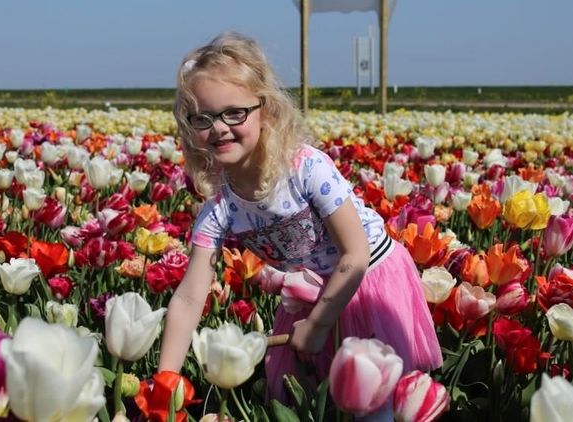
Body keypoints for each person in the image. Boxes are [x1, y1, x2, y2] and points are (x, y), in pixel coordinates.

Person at [158, 32, 442, 420]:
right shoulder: (220, 209)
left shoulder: (306, 168)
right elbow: (190, 298)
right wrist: (164, 384)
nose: (219, 128)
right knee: (311, 399)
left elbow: (355, 254)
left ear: (266, 111)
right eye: (203, 119)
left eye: (234, 113)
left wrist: (321, 322)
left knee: (376, 404)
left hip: (368, 282)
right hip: (310, 292)